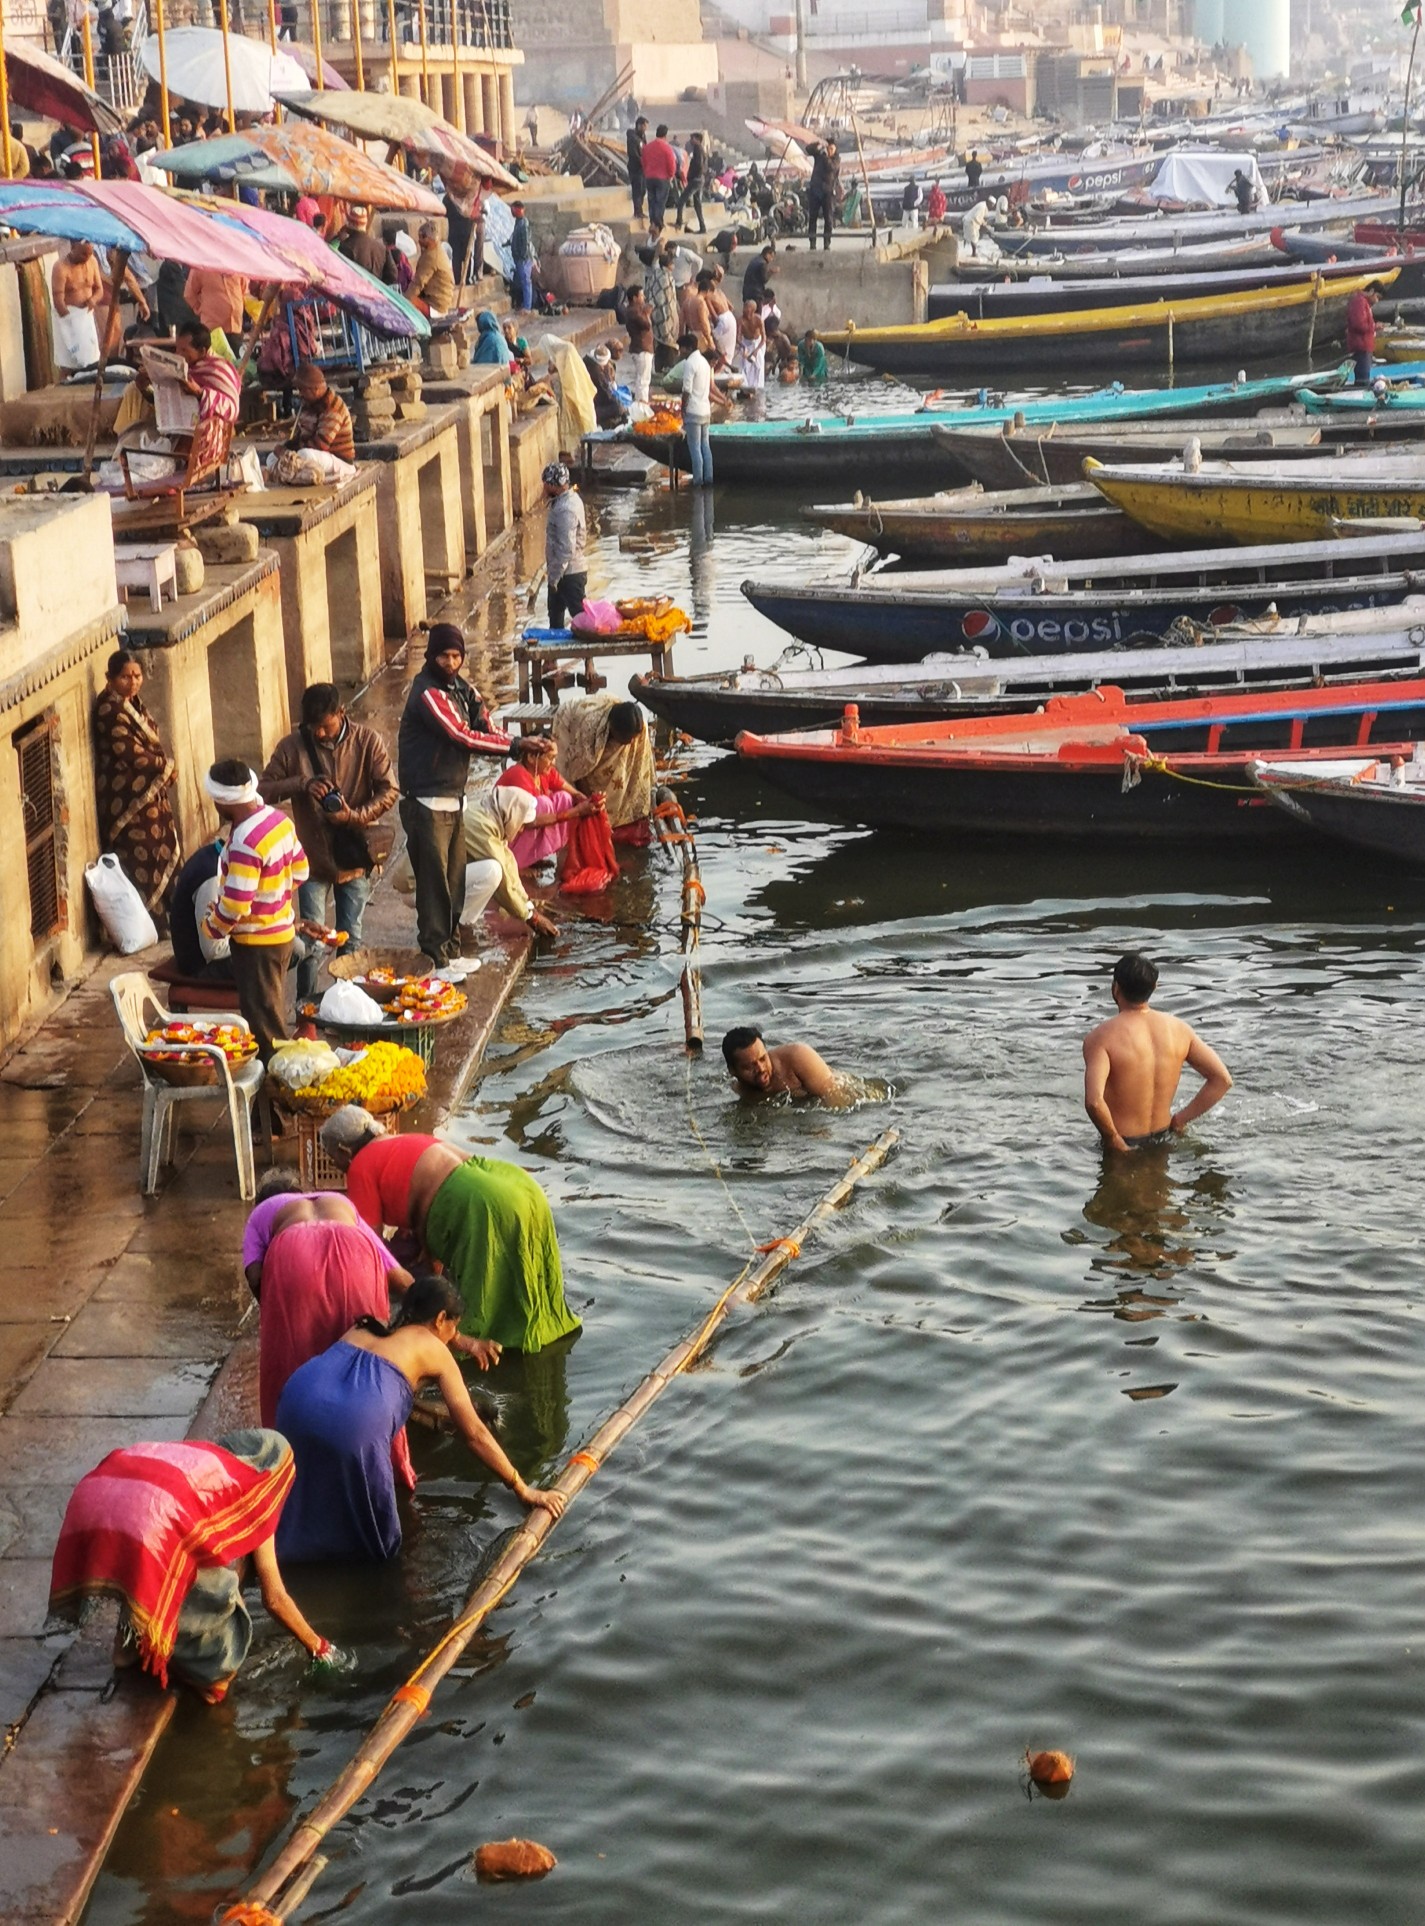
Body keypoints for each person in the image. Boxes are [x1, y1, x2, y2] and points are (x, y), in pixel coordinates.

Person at [273, 1275, 567, 1565]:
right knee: (377, 1538)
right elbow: (474, 1433)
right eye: (455, 1328)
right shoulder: (434, 1349)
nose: (454, 1337)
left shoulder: (367, 1325)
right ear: (441, 1319)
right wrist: (522, 1487)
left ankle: (284, 1557)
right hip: (355, 1421)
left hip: (296, 1399)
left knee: (308, 1491)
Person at [48, 1430, 334, 1702]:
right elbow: (274, 1598)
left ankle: (129, 1644)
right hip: (144, 1519)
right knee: (217, 1603)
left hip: (100, 1491)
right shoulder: (257, 1493)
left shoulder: (206, 1462)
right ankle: (200, 1677)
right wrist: (318, 1647)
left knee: (149, 1560)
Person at [320, 1112, 581, 1352]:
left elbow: (370, 1248)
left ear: (344, 1150)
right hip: (518, 1185)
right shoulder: (404, 1140)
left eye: (333, 1159)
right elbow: (424, 1193)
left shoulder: (360, 1165)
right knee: (524, 1280)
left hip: (479, 1201)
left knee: (473, 1307)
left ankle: (478, 1352)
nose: (335, 1166)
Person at [259, 682, 397, 1000]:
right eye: (313, 728)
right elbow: (263, 790)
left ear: (341, 713)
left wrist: (352, 815)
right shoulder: (291, 747)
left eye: (326, 726)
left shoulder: (367, 741)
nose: (320, 734)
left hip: (356, 855)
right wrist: (301, 783)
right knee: (313, 943)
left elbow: (389, 790)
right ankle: (306, 1007)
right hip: (311, 860)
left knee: (351, 939)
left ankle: (344, 1003)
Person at [397, 625, 509, 979]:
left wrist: (522, 744)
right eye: (444, 655)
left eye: (456, 656)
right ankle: (435, 958)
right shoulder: (426, 693)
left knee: (455, 880)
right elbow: (462, 735)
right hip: (425, 801)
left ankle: (453, 950)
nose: (450, 662)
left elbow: (485, 725)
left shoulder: (462, 689)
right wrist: (517, 748)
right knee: (434, 884)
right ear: (432, 655)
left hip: (453, 799)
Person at [201, 758, 308, 1062]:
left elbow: (236, 903)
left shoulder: (246, 841)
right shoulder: (278, 820)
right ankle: (270, 1104)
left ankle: (275, 1104)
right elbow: (301, 870)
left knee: (265, 1032)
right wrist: (273, 898)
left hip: (257, 946)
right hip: (282, 933)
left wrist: (213, 926)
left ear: (223, 801)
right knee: (271, 1015)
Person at [1081, 952, 1233, 1153]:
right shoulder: (1180, 1029)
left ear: (1115, 987)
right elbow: (1222, 1080)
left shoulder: (1100, 1038)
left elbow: (1094, 1102)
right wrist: (1180, 1119)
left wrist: (1113, 1138)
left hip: (1124, 1144)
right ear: (1154, 987)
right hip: (1164, 1139)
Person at [93, 648, 180, 916]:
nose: (132, 682)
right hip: (126, 798)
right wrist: (165, 767)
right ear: (109, 678)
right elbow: (129, 751)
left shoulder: (133, 703)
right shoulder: (109, 709)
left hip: (148, 792)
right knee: (141, 850)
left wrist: (164, 769)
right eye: (125, 677)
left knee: (163, 846)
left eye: (137, 676)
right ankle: (145, 916)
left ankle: (170, 913)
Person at [462, 786, 564, 932]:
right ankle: (461, 921)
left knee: (497, 868)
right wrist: (531, 918)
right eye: (522, 825)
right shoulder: (484, 825)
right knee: (493, 872)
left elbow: (508, 864)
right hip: (431, 881)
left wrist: (527, 904)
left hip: (444, 873)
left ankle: (459, 919)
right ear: (513, 815)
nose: (521, 830)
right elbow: (504, 880)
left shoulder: (491, 815)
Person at [552, 694, 654, 839]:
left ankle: (621, 816)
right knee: (568, 779)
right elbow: (579, 770)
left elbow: (640, 766)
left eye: (633, 738)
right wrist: (588, 802)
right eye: (628, 738)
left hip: (603, 717)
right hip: (571, 720)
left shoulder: (639, 726)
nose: (632, 743)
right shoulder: (589, 727)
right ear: (614, 730)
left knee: (622, 767)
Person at [496, 734, 588, 868]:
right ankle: (517, 865)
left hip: (517, 831)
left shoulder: (541, 770)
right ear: (531, 758)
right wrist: (575, 812)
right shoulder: (519, 775)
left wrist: (584, 799)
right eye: (550, 758)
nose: (554, 763)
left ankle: (535, 857)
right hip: (503, 839)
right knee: (543, 805)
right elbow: (530, 822)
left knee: (564, 798)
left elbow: (570, 791)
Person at [173, 322, 242, 477]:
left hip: (211, 434)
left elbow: (232, 408)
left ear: (202, 351)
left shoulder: (220, 369)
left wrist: (200, 394)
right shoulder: (187, 368)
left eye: (184, 350)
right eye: (177, 348)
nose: (178, 354)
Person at [721, 1025, 847, 1102]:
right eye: (749, 1066)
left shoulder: (799, 1057)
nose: (760, 1068)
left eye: (763, 1059)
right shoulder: (739, 1092)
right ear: (732, 1070)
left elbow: (836, 1098)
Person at [169, 839, 233, 982]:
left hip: (212, 950)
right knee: (270, 957)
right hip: (200, 966)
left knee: (289, 945)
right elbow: (213, 950)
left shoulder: (216, 852)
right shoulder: (212, 878)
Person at [543, 461, 587, 628]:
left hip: (568, 574)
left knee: (581, 621)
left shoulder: (565, 509)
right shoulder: (566, 501)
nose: (544, 487)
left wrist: (554, 577)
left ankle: (587, 654)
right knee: (555, 618)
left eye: (546, 483)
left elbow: (566, 548)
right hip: (561, 573)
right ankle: (552, 654)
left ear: (555, 485)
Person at [284, 361, 355, 465]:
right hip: (315, 453)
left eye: (302, 390)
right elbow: (302, 436)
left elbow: (320, 446)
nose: (300, 394)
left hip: (338, 460)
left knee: (305, 455)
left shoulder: (333, 407)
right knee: (272, 458)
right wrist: (286, 447)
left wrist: (289, 454)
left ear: (315, 389)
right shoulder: (308, 404)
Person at [51, 240, 105, 370]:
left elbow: (99, 289)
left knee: (91, 359)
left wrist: (93, 300)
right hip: (68, 316)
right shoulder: (60, 267)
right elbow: (58, 300)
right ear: (73, 247)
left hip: (86, 316)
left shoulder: (92, 262)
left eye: (89, 254)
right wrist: (70, 323)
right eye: (83, 254)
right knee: (69, 362)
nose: (86, 258)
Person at [680, 330, 722, 487]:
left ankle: (698, 480)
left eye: (682, 348)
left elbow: (686, 391)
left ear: (688, 348)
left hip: (693, 411)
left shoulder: (690, 363)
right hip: (705, 410)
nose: (680, 352)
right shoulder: (704, 362)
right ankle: (708, 478)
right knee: (706, 446)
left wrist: (682, 408)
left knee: (695, 447)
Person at [181, 265, 246, 346]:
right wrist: (201, 309)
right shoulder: (201, 267)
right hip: (213, 331)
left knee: (237, 358)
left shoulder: (237, 266)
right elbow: (189, 294)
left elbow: (244, 292)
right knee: (215, 358)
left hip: (236, 329)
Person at [334, 204, 395, 284]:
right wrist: (380, 285)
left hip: (356, 291)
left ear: (350, 227)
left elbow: (342, 275)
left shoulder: (346, 247)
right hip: (376, 293)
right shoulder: (381, 247)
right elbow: (393, 274)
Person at [407, 222, 454, 317]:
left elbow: (418, 282)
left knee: (408, 301)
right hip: (442, 301)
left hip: (436, 305)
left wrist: (405, 299)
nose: (419, 241)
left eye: (420, 238)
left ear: (427, 238)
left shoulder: (431, 256)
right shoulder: (438, 250)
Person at [645, 243, 679, 371]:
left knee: (659, 343)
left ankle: (659, 368)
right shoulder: (667, 278)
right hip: (665, 315)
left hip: (655, 315)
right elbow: (667, 299)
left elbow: (649, 292)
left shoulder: (654, 274)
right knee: (668, 343)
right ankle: (667, 368)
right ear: (669, 265)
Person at [640, 123, 679, 233]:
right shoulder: (666, 148)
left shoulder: (647, 147)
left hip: (649, 177)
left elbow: (643, 162)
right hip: (662, 179)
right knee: (660, 201)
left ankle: (652, 222)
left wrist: (647, 172)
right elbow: (672, 164)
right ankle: (658, 223)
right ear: (665, 135)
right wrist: (671, 175)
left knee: (651, 201)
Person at [807, 137, 840, 251]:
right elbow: (808, 149)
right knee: (812, 218)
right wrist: (819, 144)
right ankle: (812, 243)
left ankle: (827, 243)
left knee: (828, 219)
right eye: (828, 148)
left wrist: (826, 156)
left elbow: (831, 168)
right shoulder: (820, 155)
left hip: (828, 192)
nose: (829, 151)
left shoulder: (836, 159)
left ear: (835, 149)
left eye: (832, 149)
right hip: (815, 190)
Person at [585, 343, 628, 428]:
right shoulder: (596, 372)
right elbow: (606, 394)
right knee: (618, 407)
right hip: (594, 406)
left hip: (596, 402)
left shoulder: (590, 364)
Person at [624, 284, 654, 402]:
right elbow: (646, 325)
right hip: (641, 349)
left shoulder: (635, 310)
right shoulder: (634, 312)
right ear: (635, 298)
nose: (644, 298)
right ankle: (642, 405)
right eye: (641, 295)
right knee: (643, 380)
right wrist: (647, 313)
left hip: (642, 348)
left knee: (642, 379)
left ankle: (641, 403)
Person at [676, 129, 708, 234]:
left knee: (681, 201)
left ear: (697, 139)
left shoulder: (697, 149)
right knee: (697, 205)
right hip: (700, 179)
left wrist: (692, 176)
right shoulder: (701, 149)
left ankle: (679, 222)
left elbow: (698, 165)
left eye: (692, 138)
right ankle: (702, 227)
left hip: (696, 180)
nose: (691, 140)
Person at [679, 268, 715, 354]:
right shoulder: (701, 303)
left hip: (691, 334)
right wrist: (710, 341)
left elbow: (681, 321)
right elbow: (704, 323)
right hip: (701, 337)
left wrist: (681, 338)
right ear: (708, 291)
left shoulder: (687, 301)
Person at [1346, 286, 1377, 387]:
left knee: (1363, 376)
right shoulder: (1359, 302)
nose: (1377, 300)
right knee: (1362, 378)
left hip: (1363, 344)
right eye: (1377, 297)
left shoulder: (1361, 302)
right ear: (1372, 291)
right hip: (1361, 345)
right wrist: (1373, 326)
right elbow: (1359, 324)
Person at [735, 299, 766, 392]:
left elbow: (764, 338)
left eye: (747, 308)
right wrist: (743, 347)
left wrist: (756, 351)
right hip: (746, 343)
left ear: (752, 310)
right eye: (744, 307)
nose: (744, 310)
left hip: (758, 343)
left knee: (758, 365)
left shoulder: (758, 319)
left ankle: (758, 388)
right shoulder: (740, 320)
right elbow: (738, 337)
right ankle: (747, 388)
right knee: (745, 364)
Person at [509, 200, 534, 311]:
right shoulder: (518, 223)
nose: (511, 212)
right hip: (518, 259)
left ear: (519, 210)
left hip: (523, 259)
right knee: (520, 283)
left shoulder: (524, 224)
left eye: (513, 209)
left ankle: (527, 307)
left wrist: (523, 257)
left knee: (526, 282)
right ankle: (522, 304)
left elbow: (525, 242)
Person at [626, 114, 648, 222]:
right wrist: (642, 162)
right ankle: (637, 212)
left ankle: (640, 210)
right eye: (644, 126)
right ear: (639, 125)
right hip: (635, 168)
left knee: (643, 190)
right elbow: (634, 154)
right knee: (637, 190)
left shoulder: (642, 137)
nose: (645, 129)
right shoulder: (632, 138)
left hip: (643, 168)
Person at [741, 242, 774, 310]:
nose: (772, 259)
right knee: (757, 315)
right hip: (756, 294)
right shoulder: (763, 264)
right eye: (772, 256)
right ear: (767, 254)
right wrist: (771, 272)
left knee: (748, 314)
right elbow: (764, 279)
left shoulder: (755, 260)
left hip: (746, 292)